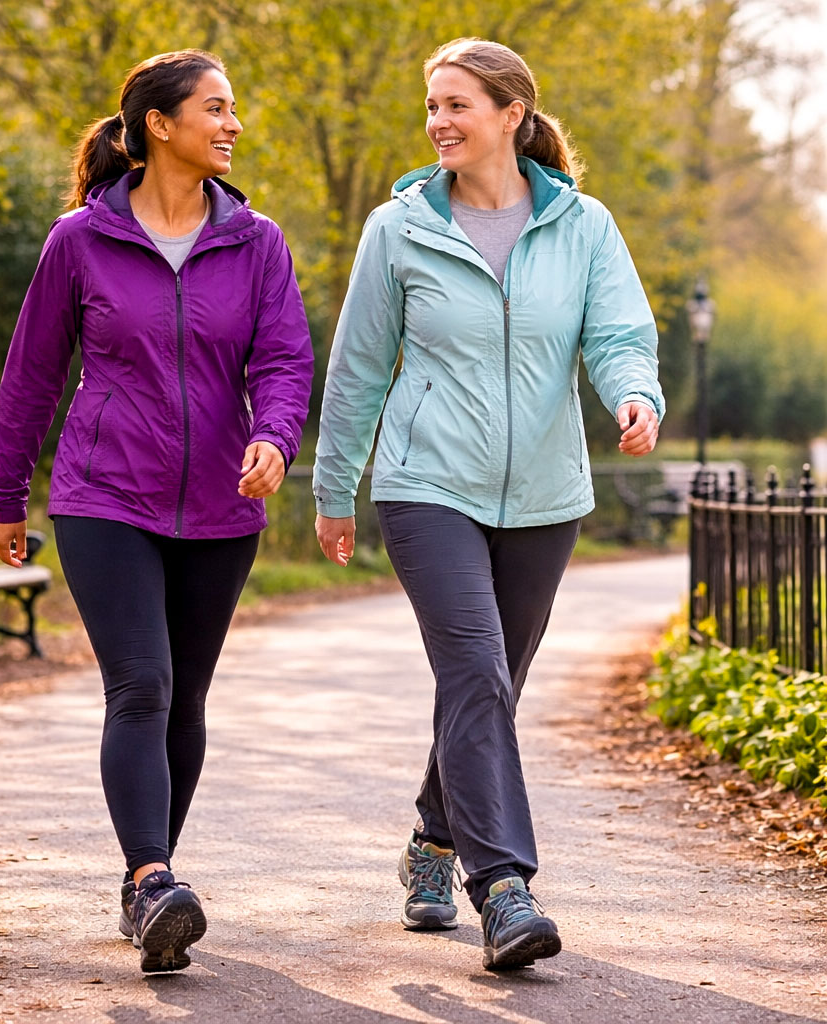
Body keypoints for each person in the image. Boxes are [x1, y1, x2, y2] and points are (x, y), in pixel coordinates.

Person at [312, 37, 663, 972]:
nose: (438, 122)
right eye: (432, 105)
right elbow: (356, 368)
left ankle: (431, 844)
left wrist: (634, 394)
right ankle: (503, 885)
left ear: (512, 114)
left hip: (546, 495)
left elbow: (619, 331)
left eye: (458, 104)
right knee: (476, 672)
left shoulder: (584, 226)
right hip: (427, 485)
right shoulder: (399, 229)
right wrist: (334, 486)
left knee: (491, 682)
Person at [0, 49, 313, 974]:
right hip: (105, 497)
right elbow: (33, 376)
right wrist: (4, 496)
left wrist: (275, 440)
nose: (232, 124)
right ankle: (152, 877)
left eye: (233, 107)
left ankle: (151, 892)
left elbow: (284, 361)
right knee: (142, 685)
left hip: (221, 500)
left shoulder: (257, 242)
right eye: (215, 108)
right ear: (160, 125)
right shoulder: (79, 241)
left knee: (187, 698)